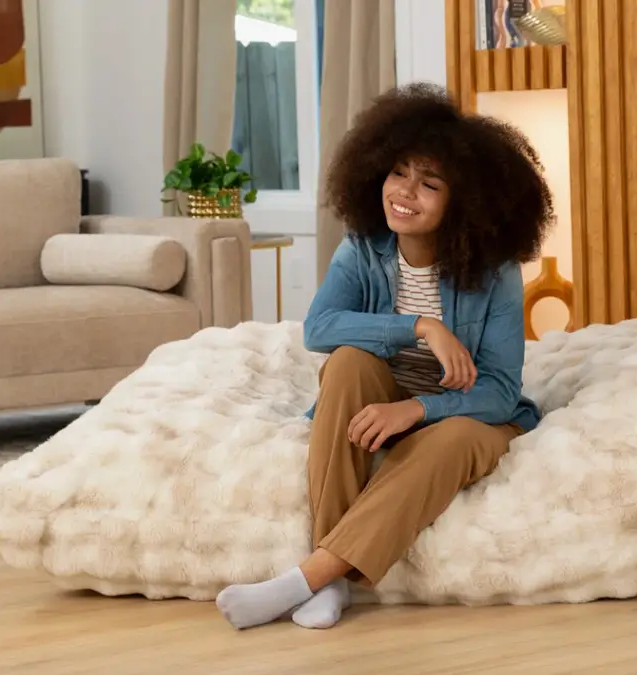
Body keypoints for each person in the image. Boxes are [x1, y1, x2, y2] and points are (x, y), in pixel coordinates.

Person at [216, 83, 553, 630]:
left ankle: (312, 577)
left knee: (454, 436)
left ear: (463, 202)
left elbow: (496, 391)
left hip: (464, 414)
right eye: (399, 173)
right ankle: (331, 584)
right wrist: (421, 326)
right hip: (381, 392)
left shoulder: (497, 272)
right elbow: (320, 328)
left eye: (430, 184)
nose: (405, 192)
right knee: (347, 362)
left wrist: (417, 410)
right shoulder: (362, 247)